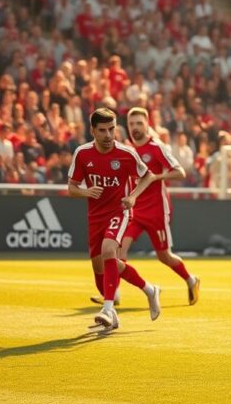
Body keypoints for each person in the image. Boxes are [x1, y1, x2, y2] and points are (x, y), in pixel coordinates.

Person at [68, 108, 161, 331]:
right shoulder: (82, 154)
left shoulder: (126, 154)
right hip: (95, 216)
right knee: (100, 266)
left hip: (119, 212)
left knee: (110, 250)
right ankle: (149, 289)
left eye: (112, 129)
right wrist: (85, 192)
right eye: (102, 130)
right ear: (92, 131)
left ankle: (109, 309)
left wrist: (133, 196)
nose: (108, 135)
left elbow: (148, 175)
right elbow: (71, 188)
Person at [112, 107, 201, 306]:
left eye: (139, 123)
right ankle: (114, 294)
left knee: (164, 256)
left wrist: (156, 177)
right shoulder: (128, 149)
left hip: (156, 212)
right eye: (131, 123)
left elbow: (179, 172)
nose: (135, 127)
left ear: (147, 125)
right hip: (134, 211)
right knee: (119, 251)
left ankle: (190, 279)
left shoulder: (156, 148)